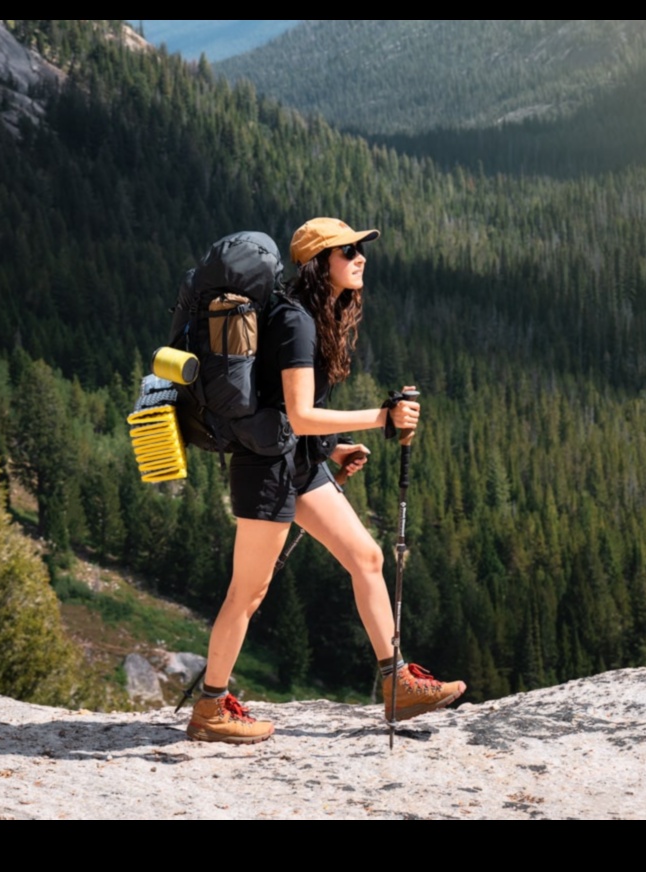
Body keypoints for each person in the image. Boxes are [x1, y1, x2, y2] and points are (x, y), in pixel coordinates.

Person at [188, 217, 466, 743]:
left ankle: (396, 682)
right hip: (267, 469)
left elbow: (290, 413)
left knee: (367, 558)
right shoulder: (296, 322)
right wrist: (380, 418)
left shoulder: (312, 314)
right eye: (347, 252)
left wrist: (329, 447)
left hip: (296, 460)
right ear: (320, 264)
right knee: (248, 591)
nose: (360, 257)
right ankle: (209, 708)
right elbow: (298, 412)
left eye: (360, 249)